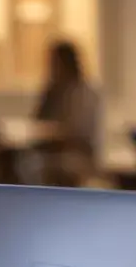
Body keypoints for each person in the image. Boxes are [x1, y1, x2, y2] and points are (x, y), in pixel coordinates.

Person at [31, 40, 101, 185]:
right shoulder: (53, 92)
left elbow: (78, 133)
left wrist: (59, 137)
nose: (52, 68)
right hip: (50, 151)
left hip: (77, 154)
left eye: (56, 63)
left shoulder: (83, 94)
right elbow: (37, 122)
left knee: (35, 167)